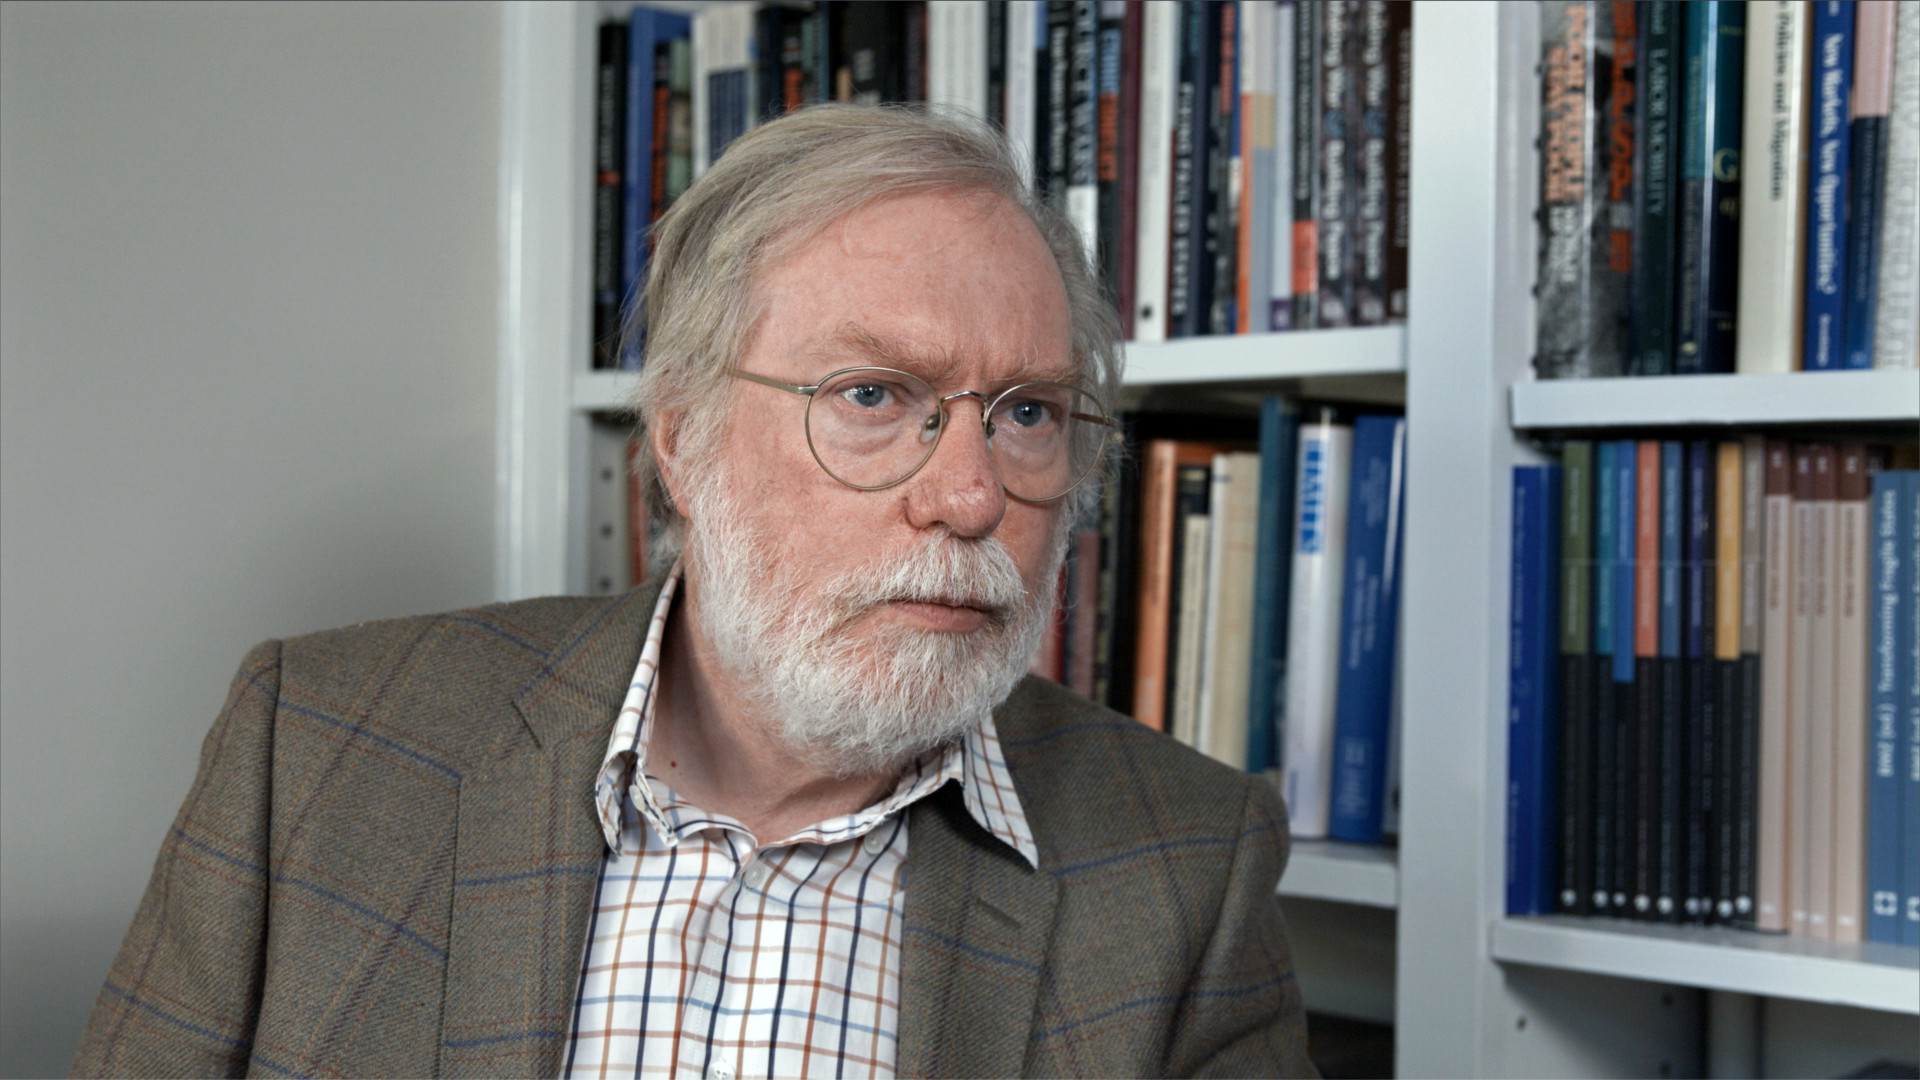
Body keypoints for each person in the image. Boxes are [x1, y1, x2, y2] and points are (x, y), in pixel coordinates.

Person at [73, 105, 1315, 1079]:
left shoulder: (1186, 868)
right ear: (683, 436)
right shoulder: (322, 744)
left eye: (1028, 413)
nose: (972, 496)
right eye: (874, 397)